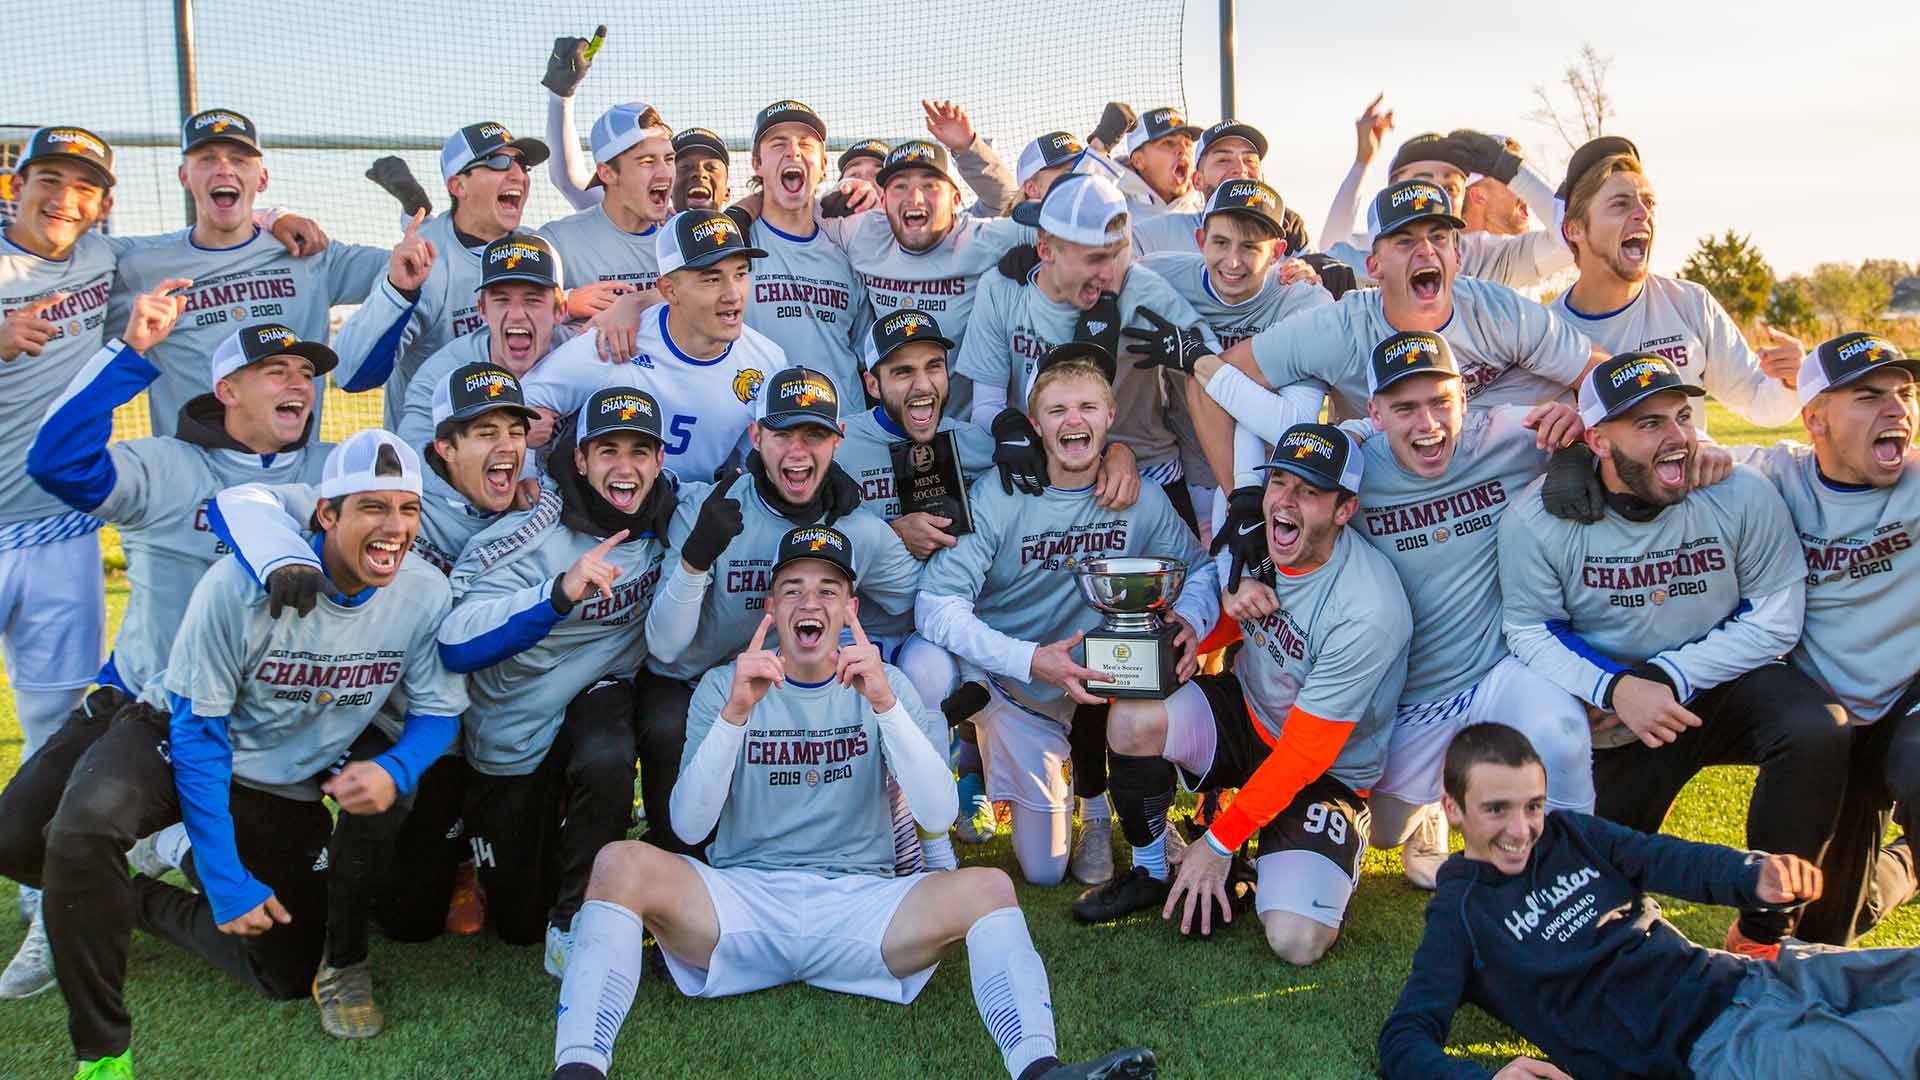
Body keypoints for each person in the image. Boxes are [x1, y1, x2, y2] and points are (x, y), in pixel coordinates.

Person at [547, 523, 1158, 1080]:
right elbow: (687, 825)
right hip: (743, 903)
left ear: (849, 609)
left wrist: (886, 705)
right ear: (770, 608)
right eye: (792, 590)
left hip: (864, 907)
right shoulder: (723, 685)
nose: (809, 603)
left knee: (990, 890)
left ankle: (1040, 1070)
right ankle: (579, 1069)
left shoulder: (888, 684)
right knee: (619, 864)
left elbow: (940, 814)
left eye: (827, 590)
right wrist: (736, 713)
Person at [0, 430, 465, 1079]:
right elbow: (199, 738)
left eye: (407, 510)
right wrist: (225, 879)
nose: (394, 527)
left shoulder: (423, 592)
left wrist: (395, 768)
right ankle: (102, 1054)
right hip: (173, 734)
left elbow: (439, 712)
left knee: (285, 972)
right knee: (84, 825)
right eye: (372, 507)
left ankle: (134, 891)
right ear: (326, 514)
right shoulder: (236, 586)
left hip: (279, 781)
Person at [0, 315, 337, 1002]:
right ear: (228, 390)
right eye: (278, 371)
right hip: (143, 707)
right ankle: (110, 878)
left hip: (260, 732)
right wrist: (129, 354)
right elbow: (56, 461)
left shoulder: (330, 470)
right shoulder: (166, 466)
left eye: (307, 373)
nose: (299, 382)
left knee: (287, 968)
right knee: (13, 837)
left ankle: (143, 877)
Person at [1499, 351, 1850, 958]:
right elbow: (1529, 631)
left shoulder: (1738, 491)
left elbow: (1777, 618)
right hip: (1620, 717)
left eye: (1682, 417)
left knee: (1816, 728)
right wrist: (1614, 688)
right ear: (1599, 441)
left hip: (1719, 685)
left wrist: (1667, 674)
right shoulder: (1538, 516)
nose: (1677, 438)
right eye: (1649, 424)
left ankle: (1766, 933)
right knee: (1574, 921)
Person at [1378, 721, 1920, 1080]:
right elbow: (1405, 1040)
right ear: (1451, 808)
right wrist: (1488, 1078)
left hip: (1756, 979)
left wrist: (1751, 875)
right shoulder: (1462, 918)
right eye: (1497, 809)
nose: (1522, 830)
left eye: (1533, 806)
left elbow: (1664, 859)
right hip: (1717, 1050)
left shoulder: (1571, 835)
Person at [1074, 423, 1409, 965]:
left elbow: (1305, 753)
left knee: (1296, 941)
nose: (1287, 502)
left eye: (1310, 492)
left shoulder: (1368, 607)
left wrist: (1218, 843)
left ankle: (1247, 852)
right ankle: (1151, 870)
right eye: (1280, 481)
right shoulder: (1263, 537)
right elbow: (1235, 608)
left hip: (1326, 773)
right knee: (1134, 717)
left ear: (1344, 510)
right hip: (1249, 709)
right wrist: (1194, 631)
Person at [918, 347, 1218, 887]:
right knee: (1046, 873)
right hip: (1016, 688)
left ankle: (1105, 813)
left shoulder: (1139, 497)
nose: (1073, 420)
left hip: (1099, 686)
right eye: (1057, 411)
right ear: (1035, 424)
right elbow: (935, 606)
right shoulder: (1001, 495)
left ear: (1109, 418)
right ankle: (975, 761)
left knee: (1149, 656)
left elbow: (1200, 571)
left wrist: (1192, 621)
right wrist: (1030, 660)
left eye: (1086, 407)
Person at [1332, 332, 1595, 890]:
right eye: (1404, 408)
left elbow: (1603, 418)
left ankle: (1576, 880)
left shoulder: (1507, 435)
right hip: (1412, 695)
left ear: (1464, 400)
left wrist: (1576, 429)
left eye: (1439, 402)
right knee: (1379, 829)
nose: (1426, 424)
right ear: (1375, 414)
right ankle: (1430, 809)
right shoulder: (1351, 465)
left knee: (1562, 728)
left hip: (1495, 669)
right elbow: (1283, 488)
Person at [433, 385, 676, 980]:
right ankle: (493, 859)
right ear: (580, 459)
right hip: (513, 728)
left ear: (660, 461)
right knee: (517, 922)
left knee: (606, 755)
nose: (626, 467)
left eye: (640, 451)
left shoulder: (673, 511)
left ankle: (580, 920)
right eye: (608, 450)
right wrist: (558, 592)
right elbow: (456, 642)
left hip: (599, 690)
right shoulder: (530, 528)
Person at [1697, 334, 1919, 944]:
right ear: (1815, 418)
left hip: (1907, 712)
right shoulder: (1772, 477)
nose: (1896, 409)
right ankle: (1900, 868)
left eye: (1904, 393)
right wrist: (1580, 446)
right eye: (1869, 396)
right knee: (1826, 933)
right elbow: (1653, 451)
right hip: (1831, 732)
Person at [108, 108, 385, 437]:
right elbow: (66, 257)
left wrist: (271, 216)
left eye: (239, 160)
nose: (224, 169)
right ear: (184, 176)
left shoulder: (310, 254)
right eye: (207, 159)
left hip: (290, 476)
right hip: (191, 476)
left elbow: (416, 268)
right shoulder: (140, 263)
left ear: (262, 178)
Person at [958, 172, 1201, 522]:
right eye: (1094, 259)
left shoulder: (1145, 293)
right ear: (1044, 250)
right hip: (1042, 464)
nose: (1108, 273)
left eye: (1115, 255)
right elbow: (987, 405)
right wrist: (1009, 427)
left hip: (1144, 472)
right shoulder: (1001, 287)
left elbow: (1214, 377)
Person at [1549, 136, 1805, 434]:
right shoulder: (1548, 333)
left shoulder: (1690, 303)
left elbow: (1759, 403)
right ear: (1575, 229)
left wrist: (1790, 379)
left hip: (1693, 479)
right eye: (1620, 204)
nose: (1643, 214)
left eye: (1649, 202)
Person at [521, 210, 783, 482]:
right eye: (712, 279)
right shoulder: (616, 340)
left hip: (698, 514)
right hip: (614, 514)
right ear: (669, 290)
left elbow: (759, 465)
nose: (732, 294)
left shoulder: (767, 361)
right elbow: (523, 407)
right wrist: (528, 479)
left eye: (740, 274)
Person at [333, 120, 550, 426]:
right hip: (432, 453)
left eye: (523, 165)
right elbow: (351, 375)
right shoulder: (425, 261)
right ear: (457, 185)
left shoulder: (538, 247)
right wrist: (398, 292)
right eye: (499, 162)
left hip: (512, 452)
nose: (518, 175)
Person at [1319, 99, 1572, 290]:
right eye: (1424, 183)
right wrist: (1362, 163)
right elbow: (1329, 254)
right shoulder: (1371, 249)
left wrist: (1511, 171)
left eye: (1450, 188)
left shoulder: (1485, 256)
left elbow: (1570, 241)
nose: (1437, 196)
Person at [815, 139, 1034, 351]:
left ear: (955, 201)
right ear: (884, 200)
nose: (915, 198)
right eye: (900, 186)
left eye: (929, 185)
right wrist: (839, 190)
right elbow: (801, 213)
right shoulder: (863, 233)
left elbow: (1051, 222)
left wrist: (969, 145)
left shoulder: (981, 238)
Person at [737, 99, 871, 407]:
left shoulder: (849, 248)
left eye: (806, 144)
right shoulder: (735, 244)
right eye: (778, 143)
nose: (793, 151)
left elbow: (866, 356)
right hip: (760, 435)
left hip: (842, 436)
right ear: (756, 163)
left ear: (824, 165)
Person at [394, 232, 569, 456]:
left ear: (560, 311)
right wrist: (515, 437)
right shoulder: (442, 375)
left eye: (532, 299)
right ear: (482, 310)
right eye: (501, 299)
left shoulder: (582, 354)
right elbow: (413, 457)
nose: (516, 314)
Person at [536, 101, 675, 316]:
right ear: (607, 173)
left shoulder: (679, 239)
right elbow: (506, 307)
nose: (665, 173)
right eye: (647, 162)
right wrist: (564, 301)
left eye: (669, 159)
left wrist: (636, 302)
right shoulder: (559, 241)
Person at [1128, 119, 1314, 269]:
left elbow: (1319, 289)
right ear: (1197, 181)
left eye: (1250, 161)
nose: (1240, 169)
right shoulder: (1149, 238)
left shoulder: (1287, 237)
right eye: (1223, 160)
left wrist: (1312, 264)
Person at [1112, 106, 1200, 213]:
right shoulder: (1112, 211)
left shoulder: (1205, 218)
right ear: (1138, 161)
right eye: (1168, 143)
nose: (1183, 150)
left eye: (1187, 144)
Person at [671, 127, 732, 212]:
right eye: (686, 166)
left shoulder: (742, 224)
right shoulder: (650, 224)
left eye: (711, 167)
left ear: (727, 193)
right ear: (668, 190)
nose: (699, 173)